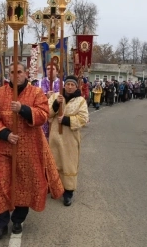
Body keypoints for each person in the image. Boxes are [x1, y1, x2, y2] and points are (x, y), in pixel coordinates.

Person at [0, 62, 64, 240]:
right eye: (12, 72)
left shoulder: (36, 93)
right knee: (2, 184)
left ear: (26, 73)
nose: (16, 75)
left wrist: (23, 109)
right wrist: (5, 134)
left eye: (19, 72)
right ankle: (1, 224)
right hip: (3, 148)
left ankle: (18, 219)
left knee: (25, 184)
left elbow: (43, 115)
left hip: (29, 148)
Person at [48, 75, 89, 206]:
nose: (70, 87)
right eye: (68, 84)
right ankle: (55, 187)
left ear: (76, 86)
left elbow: (83, 119)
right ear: (64, 85)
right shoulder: (56, 96)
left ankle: (68, 192)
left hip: (70, 138)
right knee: (55, 162)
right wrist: (55, 104)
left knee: (69, 163)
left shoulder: (81, 100)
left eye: (72, 85)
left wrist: (66, 120)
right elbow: (46, 113)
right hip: (55, 136)